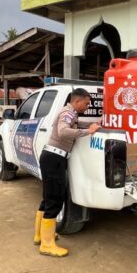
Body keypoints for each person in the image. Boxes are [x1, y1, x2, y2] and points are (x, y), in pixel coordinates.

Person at [34, 88, 101, 257]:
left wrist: (94, 125)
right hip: (54, 160)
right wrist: (88, 132)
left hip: (51, 158)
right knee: (55, 200)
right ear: (77, 101)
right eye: (86, 103)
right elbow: (63, 132)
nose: (87, 106)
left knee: (48, 198)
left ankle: (40, 235)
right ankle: (47, 245)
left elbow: (76, 125)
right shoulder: (68, 113)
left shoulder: (71, 113)